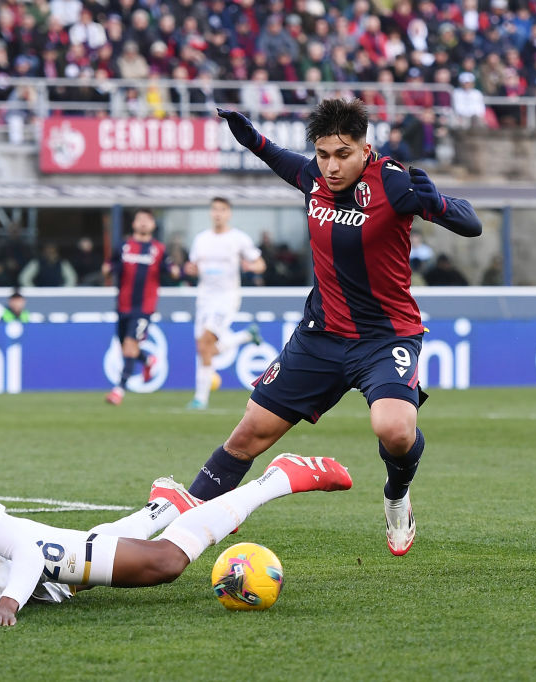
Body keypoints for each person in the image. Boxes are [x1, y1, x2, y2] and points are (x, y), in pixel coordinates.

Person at [196, 101, 482, 557]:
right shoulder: (314, 176)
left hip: (385, 338)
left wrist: (439, 204)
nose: (331, 166)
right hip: (320, 337)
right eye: (323, 154)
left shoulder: (392, 181)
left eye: (343, 154)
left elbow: (471, 224)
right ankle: (182, 523)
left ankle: (396, 495)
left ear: (365, 150)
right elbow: (281, 159)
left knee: (394, 430)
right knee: (247, 435)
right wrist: (252, 139)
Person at [0, 441, 352, 632]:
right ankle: (164, 505)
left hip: (26, 561)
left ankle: (279, 478)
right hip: (20, 585)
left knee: (162, 565)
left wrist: (8, 601)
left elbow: (24, 547)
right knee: (100, 555)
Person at [183, 197, 266, 410]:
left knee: (205, 342)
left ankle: (200, 399)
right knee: (204, 348)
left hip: (227, 298)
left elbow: (260, 264)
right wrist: (190, 270)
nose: (218, 213)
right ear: (210, 213)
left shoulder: (238, 238)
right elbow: (192, 267)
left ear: (228, 213)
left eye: (222, 209)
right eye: (215, 209)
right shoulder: (201, 239)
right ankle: (245, 336)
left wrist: (251, 267)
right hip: (204, 299)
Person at [102, 208, 179, 406]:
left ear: (153, 225)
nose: (143, 222)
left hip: (144, 308)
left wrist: (176, 271)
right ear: (134, 223)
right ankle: (147, 360)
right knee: (126, 347)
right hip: (123, 306)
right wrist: (107, 270)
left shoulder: (158, 249)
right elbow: (110, 267)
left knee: (129, 346)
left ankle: (119, 390)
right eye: (140, 219)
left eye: (147, 219)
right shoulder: (124, 247)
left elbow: (171, 270)